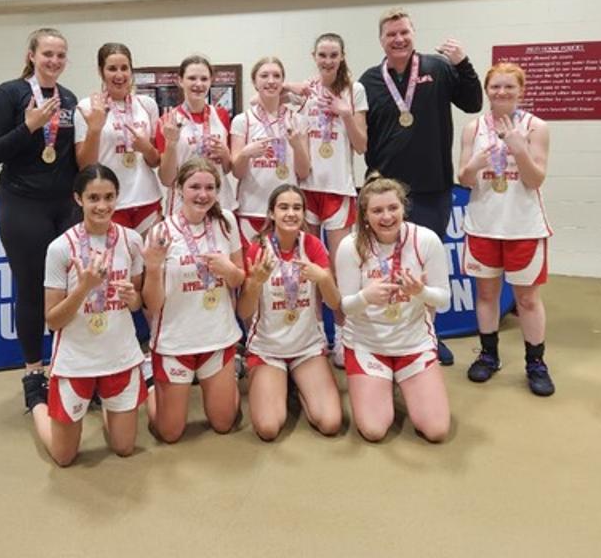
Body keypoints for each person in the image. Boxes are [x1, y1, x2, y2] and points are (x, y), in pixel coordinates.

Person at [359, 8, 483, 365]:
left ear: (413, 34)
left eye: (404, 32)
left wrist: (463, 64)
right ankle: (388, 335)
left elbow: (473, 102)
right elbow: (361, 133)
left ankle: (428, 335)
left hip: (432, 187)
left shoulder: (439, 68)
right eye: (391, 34)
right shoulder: (369, 80)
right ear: (381, 40)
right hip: (386, 193)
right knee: (384, 266)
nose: (398, 39)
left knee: (426, 267)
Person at [0, 28, 78, 411]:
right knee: (33, 288)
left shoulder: (68, 98)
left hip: (64, 205)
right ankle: (34, 373)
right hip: (22, 203)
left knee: (70, 289)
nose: (54, 61)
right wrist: (29, 127)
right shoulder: (8, 94)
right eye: (47, 54)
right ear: (32, 55)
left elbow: (71, 155)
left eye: (60, 55)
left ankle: (69, 366)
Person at [32, 165, 147, 465]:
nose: (102, 206)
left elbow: (137, 303)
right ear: (78, 199)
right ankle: (37, 403)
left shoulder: (132, 241)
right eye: (93, 198)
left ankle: (107, 405)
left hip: (120, 356)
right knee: (64, 457)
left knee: (124, 448)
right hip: (76, 360)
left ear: (118, 197)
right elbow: (52, 320)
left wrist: (134, 299)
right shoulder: (60, 248)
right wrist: (84, 287)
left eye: (109, 197)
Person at [458, 63, 554, 396]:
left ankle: (535, 362)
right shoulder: (473, 128)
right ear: (487, 90)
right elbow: (464, 179)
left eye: (509, 87)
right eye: (495, 87)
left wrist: (519, 149)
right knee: (487, 295)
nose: (501, 92)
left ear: (521, 91)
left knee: (527, 299)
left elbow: (536, 179)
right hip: (483, 225)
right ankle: (489, 355)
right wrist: (474, 165)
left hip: (522, 227)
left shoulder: (536, 127)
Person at [334, 176, 451, 442]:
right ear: (365, 215)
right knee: (374, 430)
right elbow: (346, 306)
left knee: (436, 430)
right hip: (367, 344)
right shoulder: (351, 245)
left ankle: (400, 378)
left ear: (403, 208)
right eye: (377, 210)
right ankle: (383, 379)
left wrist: (420, 292)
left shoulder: (426, 240)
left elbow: (443, 299)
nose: (386, 217)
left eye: (392, 208)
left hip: (414, 344)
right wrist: (365, 297)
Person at [141, 157, 246, 443]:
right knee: (170, 433)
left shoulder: (226, 222)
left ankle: (230, 371)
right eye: (195, 187)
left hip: (218, 337)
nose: (203, 194)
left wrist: (228, 270)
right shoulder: (161, 233)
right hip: (175, 342)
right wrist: (153, 268)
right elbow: (153, 305)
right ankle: (151, 381)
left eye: (210, 188)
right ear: (179, 189)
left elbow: (239, 279)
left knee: (224, 423)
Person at [238, 185, 343, 440]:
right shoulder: (258, 249)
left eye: (297, 208)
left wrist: (324, 279)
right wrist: (255, 283)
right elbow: (243, 311)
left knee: (330, 423)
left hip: (307, 347)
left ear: (304, 213)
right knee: (268, 429)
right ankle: (281, 381)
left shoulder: (313, 245)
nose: (291, 213)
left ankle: (296, 382)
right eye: (283, 207)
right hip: (268, 349)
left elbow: (334, 303)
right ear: (271, 213)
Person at [295, 33, 368, 367]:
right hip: (306, 188)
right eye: (322, 55)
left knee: (339, 268)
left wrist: (345, 113)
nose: (327, 61)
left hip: (339, 189)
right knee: (309, 267)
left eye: (333, 55)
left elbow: (362, 145)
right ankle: (314, 335)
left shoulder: (354, 90)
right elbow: (263, 93)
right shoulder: (306, 91)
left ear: (342, 56)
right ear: (313, 56)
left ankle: (342, 335)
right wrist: (294, 87)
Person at [75, 43, 162, 234]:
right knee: (116, 254)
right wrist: (95, 129)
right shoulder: (87, 107)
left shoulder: (147, 105)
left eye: (124, 68)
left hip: (147, 197)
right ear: (101, 71)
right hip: (108, 203)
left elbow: (155, 161)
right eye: (112, 68)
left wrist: (146, 148)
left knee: (151, 253)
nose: (119, 75)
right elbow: (85, 166)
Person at [231, 57, 310, 247]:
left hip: (287, 212)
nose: (271, 81)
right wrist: (245, 154)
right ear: (254, 82)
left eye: (276, 76)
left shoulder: (297, 120)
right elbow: (237, 172)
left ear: (283, 81)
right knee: (253, 264)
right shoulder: (242, 121)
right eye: (264, 76)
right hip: (251, 209)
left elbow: (303, 172)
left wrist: (297, 146)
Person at [155, 55, 235, 214]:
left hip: (220, 202)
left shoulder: (221, 115)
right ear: (180, 81)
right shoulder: (167, 121)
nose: (198, 84)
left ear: (211, 81)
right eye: (192, 78)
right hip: (183, 205)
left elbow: (226, 169)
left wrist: (226, 154)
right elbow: (166, 179)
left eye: (204, 79)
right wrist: (171, 143)